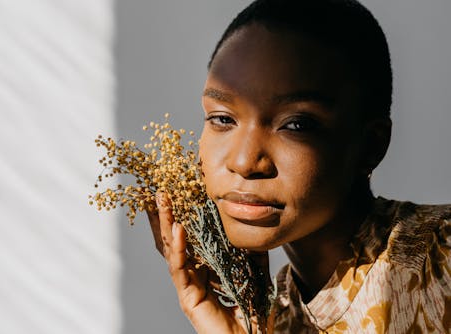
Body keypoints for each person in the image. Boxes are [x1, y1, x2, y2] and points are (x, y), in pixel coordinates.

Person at [147, 0, 451, 332]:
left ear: (371, 145)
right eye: (222, 119)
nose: (244, 162)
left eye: (295, 124)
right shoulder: (277, 317)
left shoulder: (440, 258)